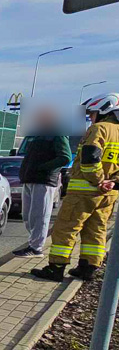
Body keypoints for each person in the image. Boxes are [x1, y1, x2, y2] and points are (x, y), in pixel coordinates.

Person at [32, 93, 119, 282]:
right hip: (109, 195)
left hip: (85, 192)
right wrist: (113, 182)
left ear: (104, 110)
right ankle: (88, 268)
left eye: (93, 113)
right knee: (96, 229)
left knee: (66, 228)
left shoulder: (99, 129)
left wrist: (98, 181)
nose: (91, 117)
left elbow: (89, 159)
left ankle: (55, 268)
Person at [13, 109, 72, 258]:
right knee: (28, 216)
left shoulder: (57, 134)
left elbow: (65, 157)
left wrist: (44, 168)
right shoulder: (35, 135)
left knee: (40, 215)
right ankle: (32, 243)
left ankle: (36, 248)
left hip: (44, 180)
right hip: (29, 178)